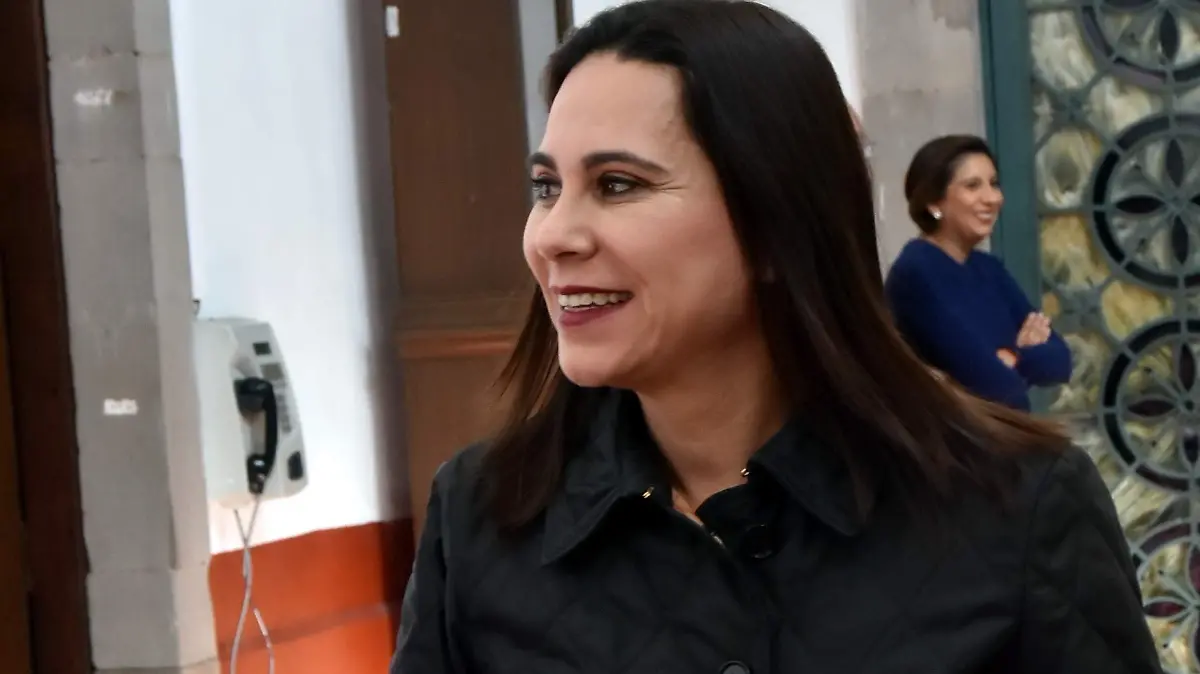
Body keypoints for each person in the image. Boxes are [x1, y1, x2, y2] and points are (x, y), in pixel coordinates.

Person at [391, 2, 1159, 673]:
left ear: (774, 219)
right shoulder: (482, 515)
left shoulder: (1017, 506)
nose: (552, 235)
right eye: (546, 188)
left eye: (617, 184)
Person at [885, 135, 1072, 411]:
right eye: (972, 186)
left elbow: (1060, 361)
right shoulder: (916, 273)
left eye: (994, 184)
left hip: (1006, 431)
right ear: (934, 203)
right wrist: (1022, 353)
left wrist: (1009, 358)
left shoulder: (988, 268)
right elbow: (997, 387)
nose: (993, 198)